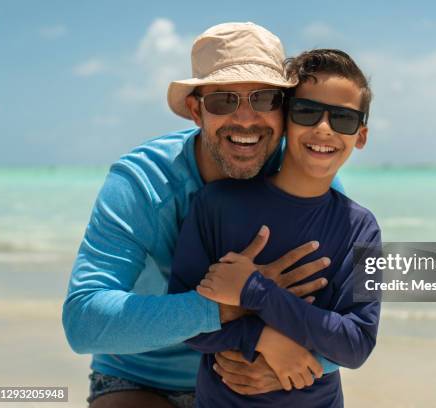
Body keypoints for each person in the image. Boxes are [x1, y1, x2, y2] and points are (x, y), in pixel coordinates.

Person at [62, 22, 344, 408]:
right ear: (196, 110)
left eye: (264, 99)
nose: (245, 119)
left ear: (285, 111)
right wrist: (231, 304)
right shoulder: (144, 183)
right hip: (144, 381)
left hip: (260, 381)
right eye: (223, 101)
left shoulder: (308, 182)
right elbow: (84, 321)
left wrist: (313, 361)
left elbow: (355, 321)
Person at [168, 49, 381, 407]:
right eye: (307, 112)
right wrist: (262, 336)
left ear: (360, 136)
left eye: (342, 120)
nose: (323, 129)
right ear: (285, 118)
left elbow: (357, 344)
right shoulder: (216, 204)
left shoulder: (361, 228)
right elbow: (186, 324)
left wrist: (255, 292)